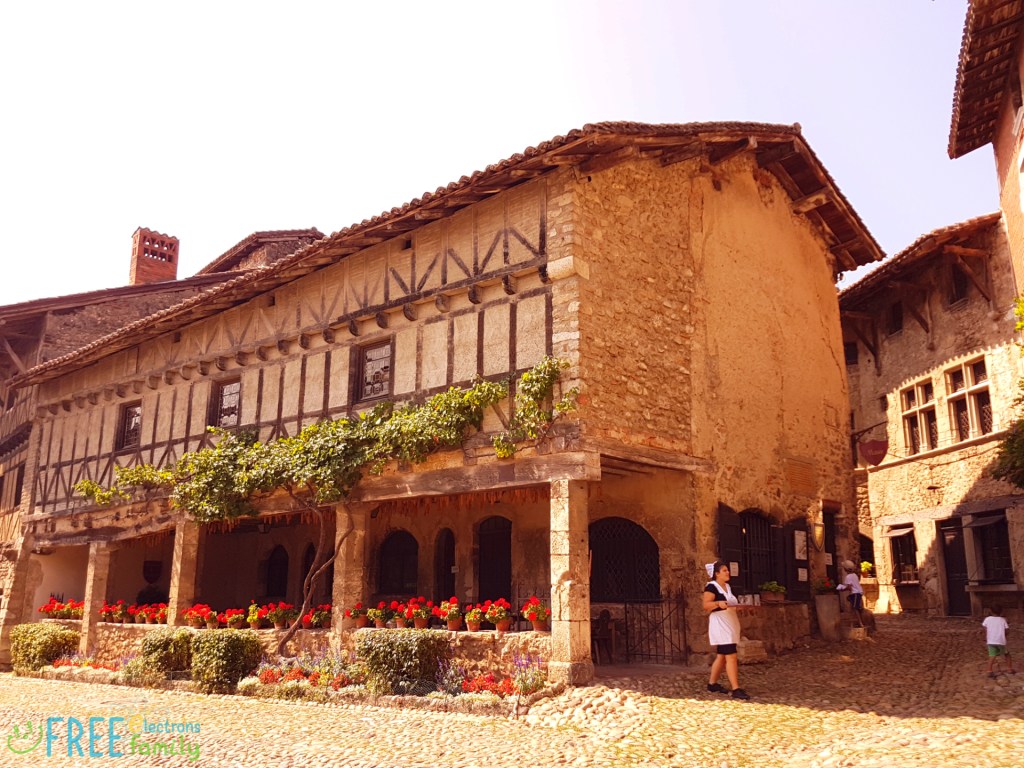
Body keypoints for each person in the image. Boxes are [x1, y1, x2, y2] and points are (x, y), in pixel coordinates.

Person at [703, 561, 749, 700]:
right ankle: (736, 688)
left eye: (727, 570)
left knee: (722, 656)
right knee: (731, 656)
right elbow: (706, 605)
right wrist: (717, 603)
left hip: (730, 624)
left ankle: (712, 684)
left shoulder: (728, 587)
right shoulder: (712, 587)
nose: (727, 572)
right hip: (721, 625)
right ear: (717, 574)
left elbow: (732, 604)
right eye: (724, 570)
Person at [982, 606, 1016, 678]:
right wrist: (1005, 636)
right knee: (1007, 654)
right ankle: (1009, 669)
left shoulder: (987, 619)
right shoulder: (1003, 620)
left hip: (991, 640)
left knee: (992, 655)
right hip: (1000, 640)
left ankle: (989, 670)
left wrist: (987, 637)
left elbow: (985, 628)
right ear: (1001, 611)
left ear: (990, 611)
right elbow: (1007, 630)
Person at [835, 559, 865, 627]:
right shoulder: (855, 575)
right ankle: (856, 621)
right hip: (858, 592)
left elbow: (849, 587)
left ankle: (860, 623)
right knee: (854, 605)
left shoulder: (848, 577)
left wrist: (842, 589)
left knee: (855, 608)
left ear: (845, 569)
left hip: (855, 593)